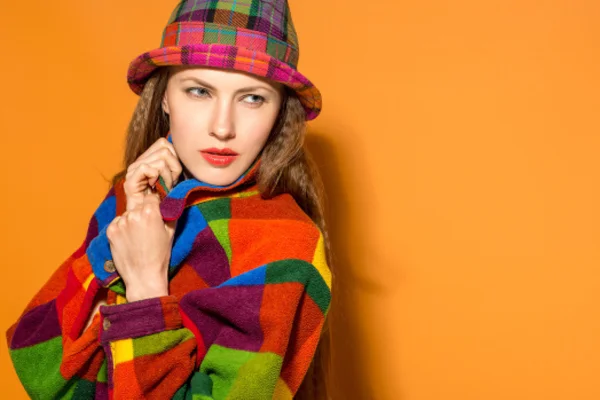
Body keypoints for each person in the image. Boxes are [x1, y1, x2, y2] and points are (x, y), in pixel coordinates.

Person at [5, 0, 334, 399]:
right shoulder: (132, 197)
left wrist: (145, 285)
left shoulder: (287, 245)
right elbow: (40, 356)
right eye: (199, 91)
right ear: (164, 98)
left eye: (252, 98)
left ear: (280, 111)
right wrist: (123, 229)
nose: (223, 127)